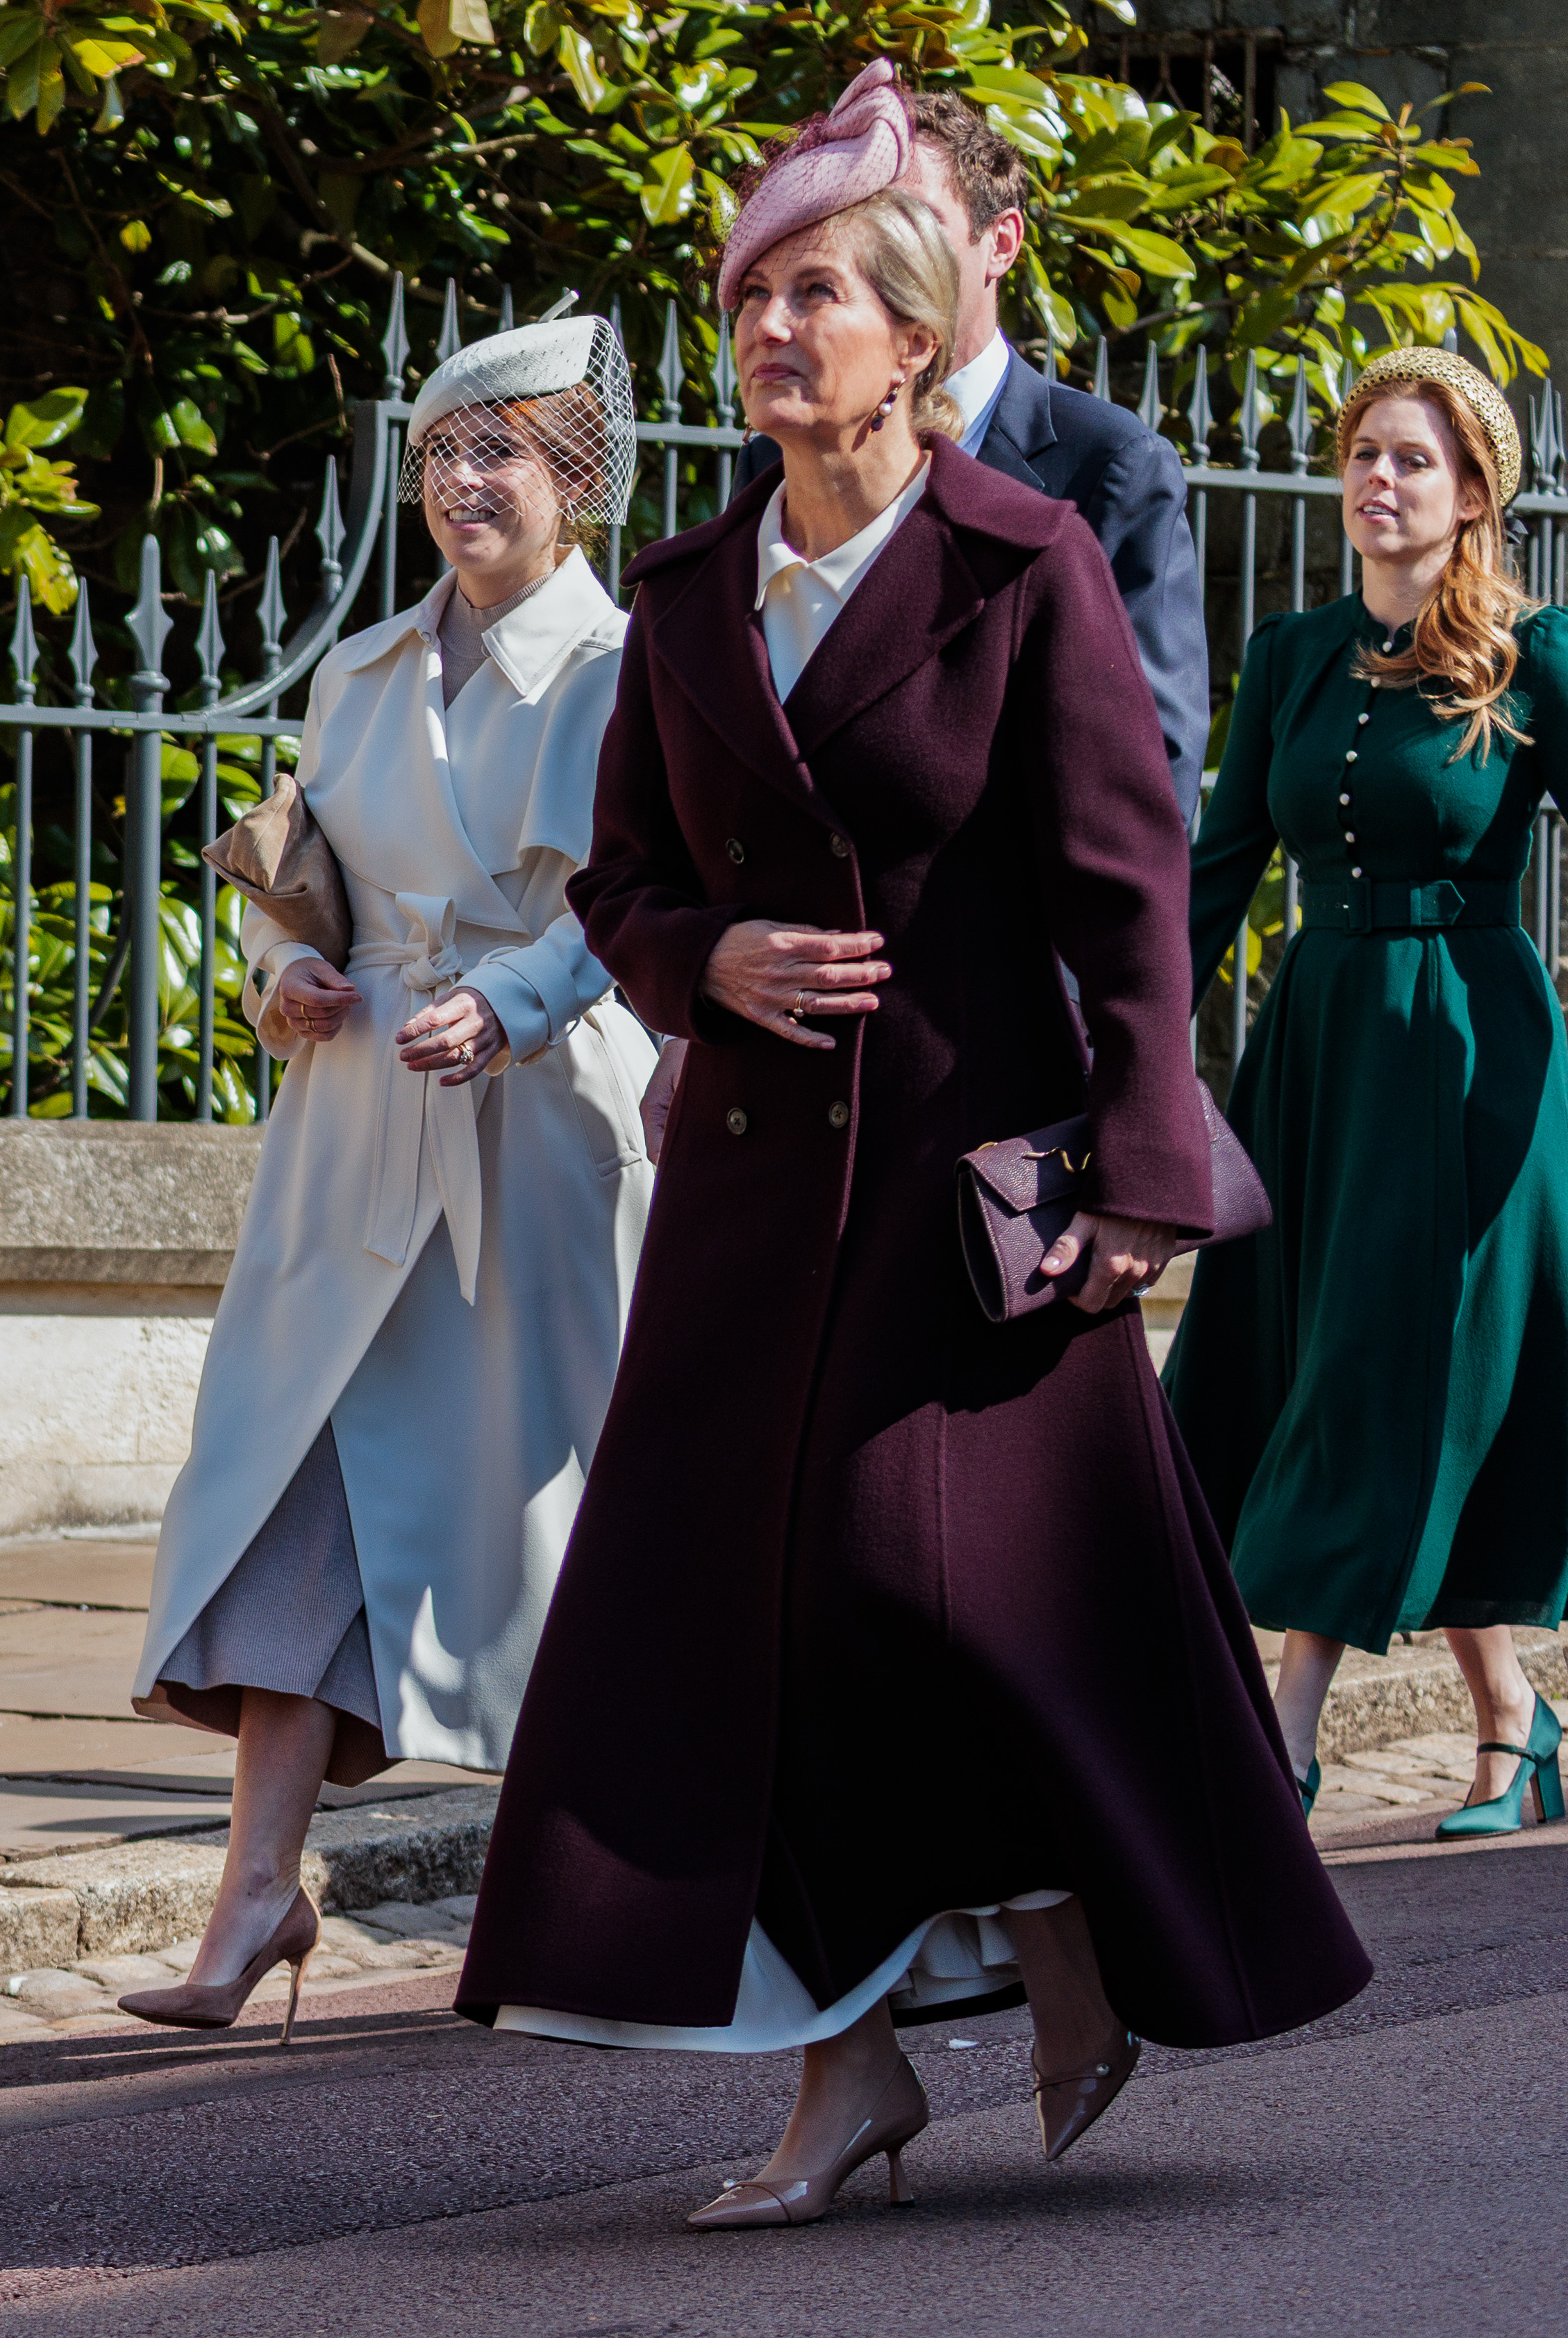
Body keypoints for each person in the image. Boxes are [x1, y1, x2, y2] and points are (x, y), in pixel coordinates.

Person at [453, 70, 1367, 2234]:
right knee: (701, 1626)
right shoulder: (678, 597)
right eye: (754, 296)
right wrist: (715, 958)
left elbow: (1124, 887)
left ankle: (1068, 1943)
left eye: (825, 295)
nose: (778, 330)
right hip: (753, 1207)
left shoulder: (1024, 562)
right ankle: (841, 2078)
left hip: (975, 1200)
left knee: (926, 1608)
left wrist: (1146, 1174)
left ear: (921, 333)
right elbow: (619, 885)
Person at [119, 313, 658, 2034]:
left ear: (577, 482)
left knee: (558, 1521)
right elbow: (307, 881)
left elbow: (629, 889)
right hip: (353, 1134)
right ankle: (256, 1892)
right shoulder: (357, 670)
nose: (462, 483)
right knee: (292, 1486)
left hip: (538, 1134)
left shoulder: (619, 670)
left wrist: (505, 1002)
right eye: (438, 455)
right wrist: (286, 973)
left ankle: (598, 1893)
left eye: (501, 453)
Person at [1165, 347, 1568, 1838]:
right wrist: (1120, 1034)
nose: (1374, 482)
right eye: (1360, 456)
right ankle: (1514, 1722)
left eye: (1409, 460)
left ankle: (1282, 1732)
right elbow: (1215, 871)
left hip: (1466, 1056)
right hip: (1318, 1052)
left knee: (1371, 1366)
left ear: (1471, 495)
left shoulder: (1535, 661)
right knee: (1345, 1365)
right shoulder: (1289, 654)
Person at [736, 67, 1206, 804]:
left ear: (1001, 245)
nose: (882, 257)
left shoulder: (1109, 464)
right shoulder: (774, 453)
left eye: (913, 224)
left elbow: (1150, 771)